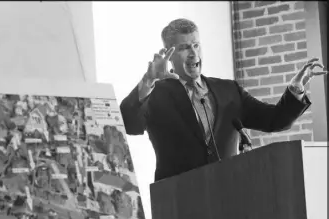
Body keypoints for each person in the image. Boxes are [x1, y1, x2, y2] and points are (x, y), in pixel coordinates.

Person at [120, 18, 327, 182]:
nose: (193, 54)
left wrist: (296, 89)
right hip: (178, 207)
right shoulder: (155, 93)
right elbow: (128, 123)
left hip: (229, 198)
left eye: (196, 45)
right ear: (168, 55)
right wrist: (148, 80)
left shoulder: (229, 90)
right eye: (184, 48)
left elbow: (275, 120)